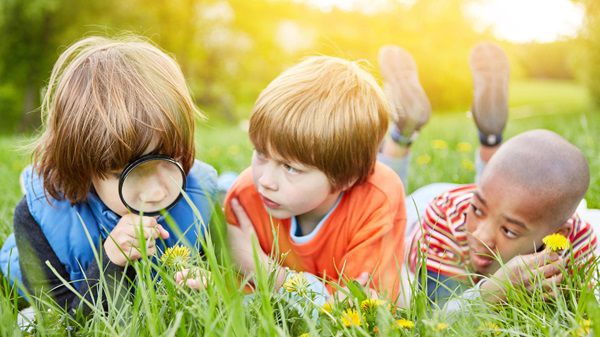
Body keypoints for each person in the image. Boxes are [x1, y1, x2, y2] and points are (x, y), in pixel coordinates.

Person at [0, 36, 217, 312]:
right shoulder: (38, 220)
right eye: (124, 173)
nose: (157, 192)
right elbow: (62, 320)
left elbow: (225, 275)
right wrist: (109, 261)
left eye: (168, 159)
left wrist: (211, 288)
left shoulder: (201, 199)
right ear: (82, 168)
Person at [377, 43, 598, 306]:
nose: (481, 236)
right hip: (427, 208)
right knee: (383, 207)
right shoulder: (443, 225)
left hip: (493, 196)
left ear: (557, 232)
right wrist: (493, 291)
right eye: (478, 211)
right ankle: (402, 131)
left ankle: (490, 137)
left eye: (509, 231)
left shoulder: (574, 243)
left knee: (502, 196)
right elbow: (440, 316)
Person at [200, 56, 407, 302]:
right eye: (261, 154)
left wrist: (261, 268)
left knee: (409, 287)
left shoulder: (378, 199)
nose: (266, 180)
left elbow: (359, 313)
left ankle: (403, 133)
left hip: (411, 231)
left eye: (290, 168)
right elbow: (244, 304)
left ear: (345, 178)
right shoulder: (245, 196)